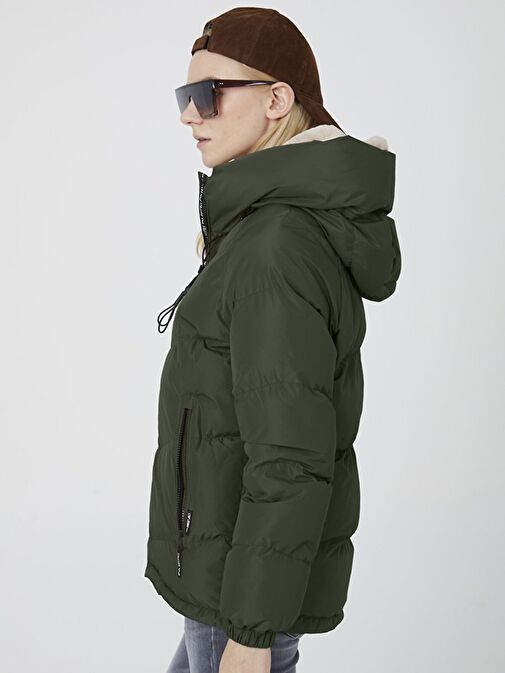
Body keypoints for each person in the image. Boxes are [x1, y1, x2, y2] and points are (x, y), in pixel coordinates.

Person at [144, 8, 401, 673]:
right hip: (227, 573)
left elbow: (290, 456)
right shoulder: (262, 231)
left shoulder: (275, 246)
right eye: (184, 95)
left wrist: (252, 635)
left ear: (277, 100)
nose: (189, 115)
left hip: (239, 594)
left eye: (208, 94)